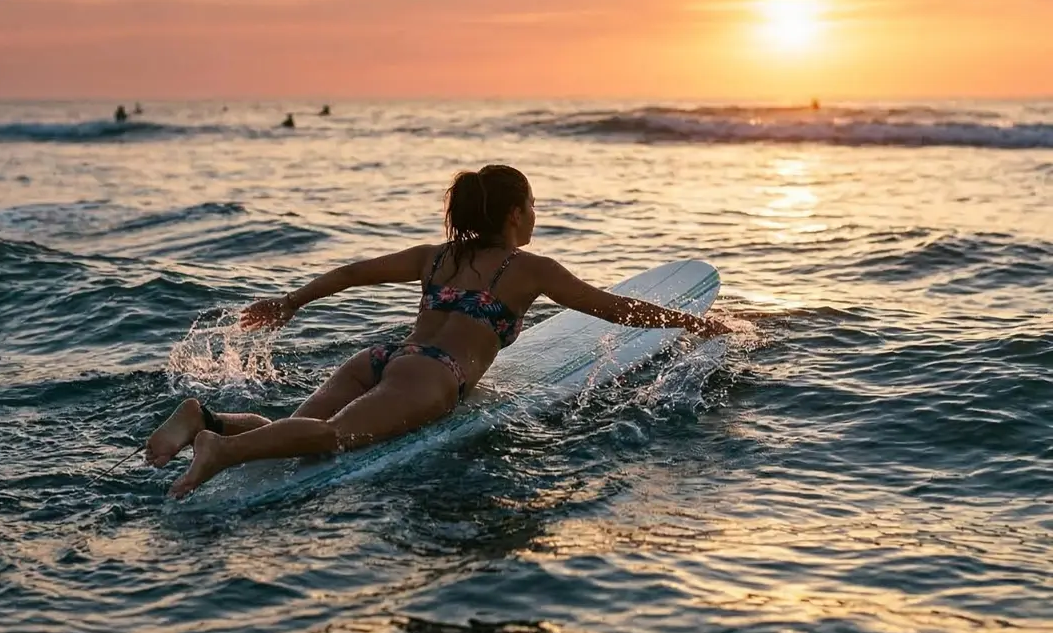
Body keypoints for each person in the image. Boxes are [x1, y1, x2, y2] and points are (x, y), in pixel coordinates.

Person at [148, 164, 732, 497]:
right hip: (432, 379)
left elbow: (354, 274)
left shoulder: (435, 257)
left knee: (300, 429)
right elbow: (611, 309)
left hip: (382, 357)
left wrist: (292, 302)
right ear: (512, 216)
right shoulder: (532, 270)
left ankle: (208, 419)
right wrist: (691, 324)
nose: (536, 216)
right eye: (532, 206)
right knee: (332, 439)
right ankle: (222, 449)